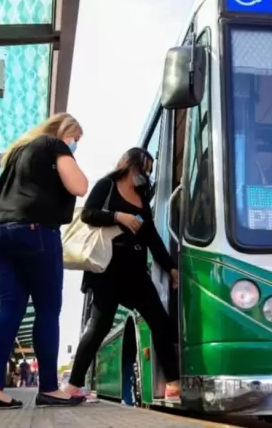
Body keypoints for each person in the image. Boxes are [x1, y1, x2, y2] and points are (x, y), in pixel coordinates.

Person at [0, 113, 89, 410]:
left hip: (1, 234)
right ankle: (50, 389)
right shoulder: (54, 144)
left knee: (10, 308)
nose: (76, 144)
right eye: (76, 139)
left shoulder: (19, 152)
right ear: (66, 132)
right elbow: (79, 186)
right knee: (48, 309)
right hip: (36, 231)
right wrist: (68, 154)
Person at [64, 147, 181, 400]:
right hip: (108, 269)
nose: (145, 174)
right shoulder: (107, 185)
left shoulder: (142, 196)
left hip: (136, 271)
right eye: (143, 168)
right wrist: (119, 217)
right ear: (129, 164)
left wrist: (171, 266)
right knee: (98, 326)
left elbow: (151, 236)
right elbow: (88, 214)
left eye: (148, 171)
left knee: (160, 321)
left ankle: (173, 384)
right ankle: (72, 386)